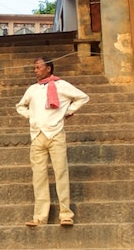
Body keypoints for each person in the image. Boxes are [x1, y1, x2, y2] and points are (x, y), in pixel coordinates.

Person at [16, 56, 89, 227]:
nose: (35, 71)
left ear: (48, 68)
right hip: (37, 136)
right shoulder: (32, 89)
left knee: (61, 173)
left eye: (38, 67)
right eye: (34, 68)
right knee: (39, 177)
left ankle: (65, 214)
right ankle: (40, 216)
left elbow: (83, 97)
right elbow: (20, 106)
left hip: (55, 134)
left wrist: (67, 111)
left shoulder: (61, 86)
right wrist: (31, 117)